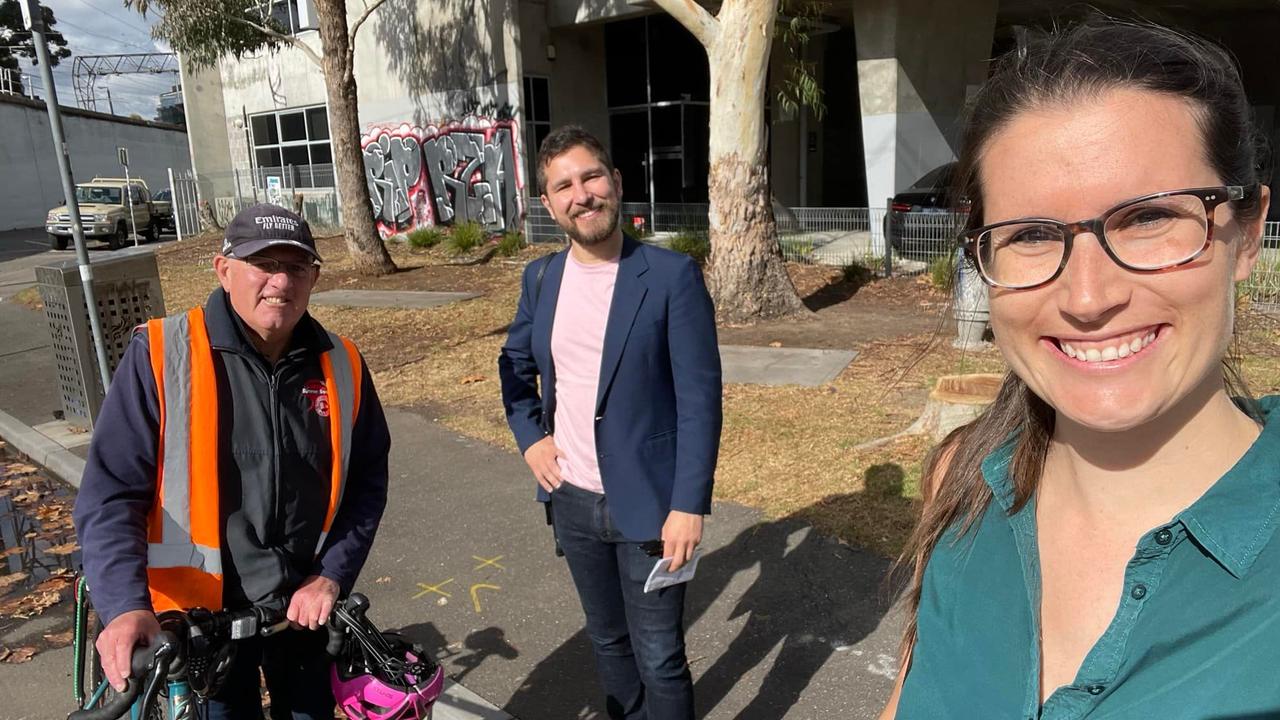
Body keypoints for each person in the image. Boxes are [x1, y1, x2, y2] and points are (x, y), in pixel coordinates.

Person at [879, 19, 1277, 718]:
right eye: (1031, 234)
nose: (1089, 298)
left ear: (1245, 235)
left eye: (1149, 218)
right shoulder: (962, 483)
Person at [73, 204, 391, 719]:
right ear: (224, 270)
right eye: (263, 263)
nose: (281, 281)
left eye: (296, 266)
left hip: (302, 613)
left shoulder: (343, 364)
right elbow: (111, 494)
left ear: (313, 277)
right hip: (199, 624)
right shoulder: (161, 352)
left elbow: (367, 481)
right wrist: (125, 606)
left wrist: (332, 574)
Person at [498, 125, 722, 719]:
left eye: (591, 176)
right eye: (563, 185)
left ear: (616, 183)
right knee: (607, 643)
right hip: (570, 500)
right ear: (549, 204)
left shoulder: (670, 277)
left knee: (660, 656)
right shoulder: (540, 278)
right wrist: (530, 440)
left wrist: (689, 504)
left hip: (650, 504)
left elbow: (700, 400)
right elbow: (514, 365)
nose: (582, 194)